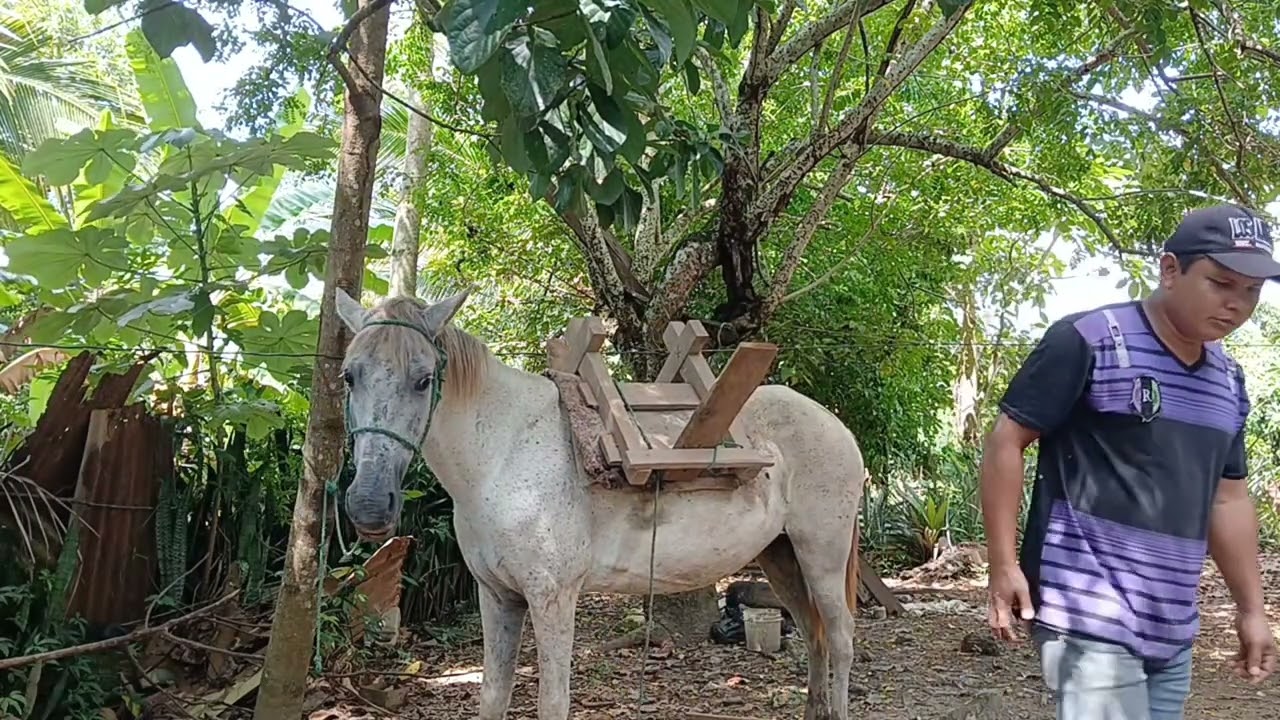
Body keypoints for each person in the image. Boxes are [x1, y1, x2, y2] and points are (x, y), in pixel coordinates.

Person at [980, 203, 1279, 719]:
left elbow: (1226, 498)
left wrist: (1252, 610)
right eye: (1221, 283)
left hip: (1172, 623)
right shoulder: (1090, 340)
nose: (1236, 305)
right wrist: (1003, 565)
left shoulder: (1228, 381)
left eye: (1251, 292)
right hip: (1085, 606)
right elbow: (1006, 442)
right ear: (1169, 270)